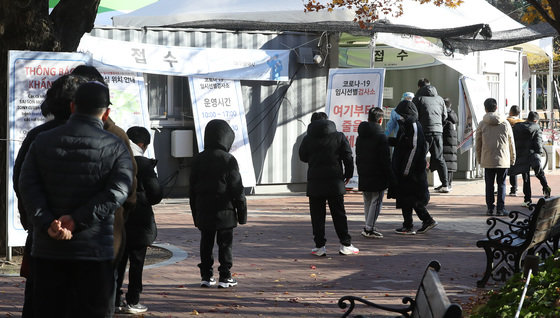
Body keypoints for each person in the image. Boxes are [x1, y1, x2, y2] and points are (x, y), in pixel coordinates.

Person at [18, 81, 134, 317]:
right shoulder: (115, 146)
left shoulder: (42, 140)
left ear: (73, 106)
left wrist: (48, 221)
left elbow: (27, 186)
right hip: (94, 251)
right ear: (107, 112)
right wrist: (77, 220)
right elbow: (119, 191)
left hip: (48, 250)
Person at [13, 74, 88, 317]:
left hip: (43, 232)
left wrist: (38, 222)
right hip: (84, 236)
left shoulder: (38, 136)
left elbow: (21, 182)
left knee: (39, 299)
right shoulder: (97, 137)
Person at [190, 119, 247, 288]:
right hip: (226, 211)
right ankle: (225, 275)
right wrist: (242, 213)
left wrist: (195, 214)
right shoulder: (228, 159)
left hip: (204, 209)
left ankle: (206, 276)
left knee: (205, 243)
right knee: (225, 244)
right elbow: (237, 188)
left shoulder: (198, 159)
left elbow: (192, 190)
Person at [115, 127, 162, 314]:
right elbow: (156, 193)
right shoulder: (143, 163)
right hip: (139, 220)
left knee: (118, 261)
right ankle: (133, 300)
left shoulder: (117, 157)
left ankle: (114, 299)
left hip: (118, 219)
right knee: (136, 262)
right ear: (142, 144)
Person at [299, 112, 359, 256]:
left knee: (317, 216)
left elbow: (303, 157)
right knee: (339, 214)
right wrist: (348, 174)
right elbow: (348, 156)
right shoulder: (338, 136)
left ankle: (320, 246)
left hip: (315, 181)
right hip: (335, 180)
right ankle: (345, 244)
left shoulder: (308, 138)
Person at [388, 100, 438, 235]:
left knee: (413, 198)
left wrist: (406, 169)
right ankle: (407, 225)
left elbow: (413, 149)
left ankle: (427, 220)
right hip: (407, 170)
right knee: (405, 198)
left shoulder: (413, 125)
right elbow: (401, 144)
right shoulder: (407, 125)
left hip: (412, 171)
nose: (398, 116)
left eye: (399, 114)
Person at [356, 107, 395, 238]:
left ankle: (368, 225)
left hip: (364, 171)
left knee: (367, 200)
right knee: (376, 200)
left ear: (368, 119)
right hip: (378, 173)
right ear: (380, 120)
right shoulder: (381, 136)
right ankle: (369, 228)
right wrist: (390, 176)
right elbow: (385, 159)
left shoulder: (360, 135)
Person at [475, 98, 516, 216]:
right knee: (502, 184)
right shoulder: (505, 123)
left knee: (489, 184)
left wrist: (479, 158)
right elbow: (511, 142)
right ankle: (500, 208)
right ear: (496, 107)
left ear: (485, 108)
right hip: (503, 159)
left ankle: (489, 208)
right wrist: (513, 158)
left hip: (487, 158)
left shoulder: (482, 124)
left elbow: (478, 143)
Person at [412, 78, 449, 193]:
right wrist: (439, 127)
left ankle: (419, 184)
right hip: (438, 131)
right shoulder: (439, 99)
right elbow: (445, 116)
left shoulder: (418, 98)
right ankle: (445, 185)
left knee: (420, 157)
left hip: (424, 132)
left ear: (419, 87)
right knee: (439, 158)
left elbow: (414, 116)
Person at [509, 111, 551, 208]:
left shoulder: (517, 126)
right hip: (532, 155)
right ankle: (546, 188)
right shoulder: (536, 128)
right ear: (536, 120)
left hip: (521, 154)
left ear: (528, 118)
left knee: (526, 178)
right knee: (539, 173)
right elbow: (538, 142)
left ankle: (527, 199)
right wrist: (539, 153)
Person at [506, 105, 524, 196]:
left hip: (508, 147)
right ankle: (514, 188)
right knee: (514, 169)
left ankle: (503, 187)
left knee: (504, 169)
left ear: (510, 112)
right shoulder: (522, 123)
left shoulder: (507, 122)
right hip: (519, 148)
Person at [441, 98, 458, 191]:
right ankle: (447, 183)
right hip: (452, 143)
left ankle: (447, 184)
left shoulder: (445, 116)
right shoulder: (453, 114)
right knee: (449, 163)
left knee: (447, 164)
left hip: (446, 141)